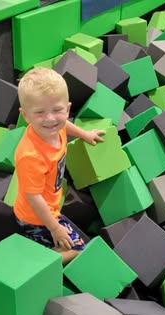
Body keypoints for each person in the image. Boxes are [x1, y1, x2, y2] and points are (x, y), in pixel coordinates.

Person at [14, 67, 105, 264]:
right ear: (25, 115)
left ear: (68, 108)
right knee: (79, 249)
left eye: (57, 110)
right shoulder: (31, 155)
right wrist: (54, 227)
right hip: (35, 219)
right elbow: (34, 197)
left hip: (51, 207)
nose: (50, 119)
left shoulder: (55, 128)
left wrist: (85, 134)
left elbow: (65, 125)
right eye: (40, 113)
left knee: (75, 245)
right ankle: (37, 265)